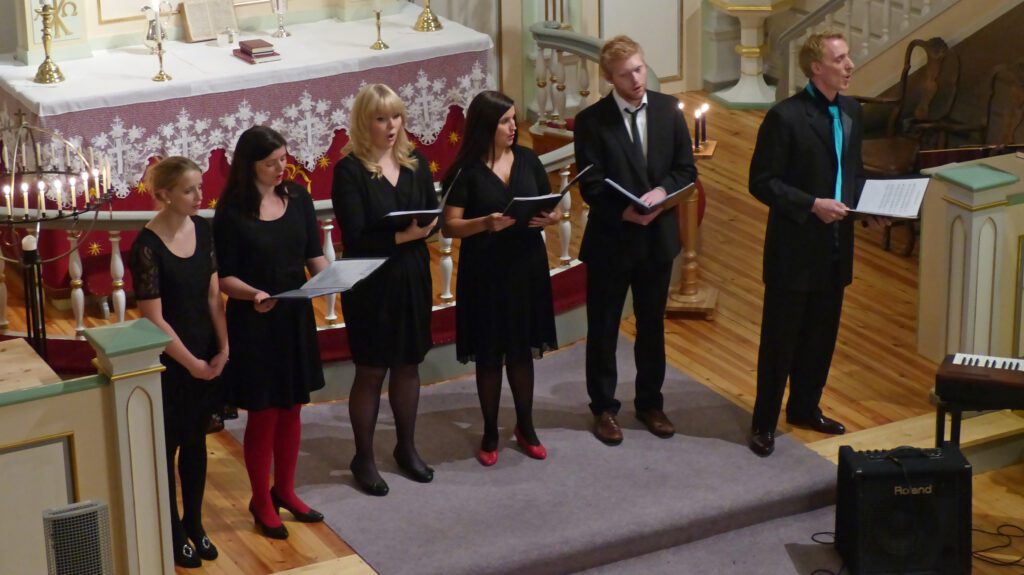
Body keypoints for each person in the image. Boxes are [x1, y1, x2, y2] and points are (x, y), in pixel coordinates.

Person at [747, 32, 885, 457]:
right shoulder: (785, 118)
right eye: (840, 59)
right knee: (781, 340)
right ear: (816, 68)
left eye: (848, 57)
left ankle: (804, 407)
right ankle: (764, 423)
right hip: (795, 247)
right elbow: (762, 182)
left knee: (821, 336)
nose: (849, 66)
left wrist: (871, 204)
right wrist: (811, 205)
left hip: (836, 246)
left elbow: (851, 171)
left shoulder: (851, 111)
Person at [573, 35, 697, 446]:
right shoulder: (593, 120)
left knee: (651, 325)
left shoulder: (666, 109)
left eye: (640, 69)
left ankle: (649, 403)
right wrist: (621, 211)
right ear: (609, 77)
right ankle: (604, 409)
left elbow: (685, 169)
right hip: (613, 238)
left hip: (657, 238)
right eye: (626, 74)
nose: (637, 79)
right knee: (604, 327)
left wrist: (662, 194)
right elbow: (590, 184)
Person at [214, 126, 328, 538]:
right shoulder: (231, 213)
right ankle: (261, 498)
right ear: (250, 166)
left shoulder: (298, 197)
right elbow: (224, 278)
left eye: (283, 158)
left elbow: (314, 255)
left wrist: (335, 281)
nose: (282, 167)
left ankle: (286, 490)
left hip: (294, 315)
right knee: (264, 412)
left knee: (293, 405)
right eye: (271, 162)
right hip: (256, 319)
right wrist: (254, 294)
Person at [442, 91, 560, 466]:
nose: (514, 126)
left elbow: (546, 203)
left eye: (513, 119)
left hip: (526, 265)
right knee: (490, 355)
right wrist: (485, 223)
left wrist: (551, 218)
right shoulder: (467, 172)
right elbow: (450, 227)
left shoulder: (527, 160)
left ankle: (525, 425)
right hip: (486, 270)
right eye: (506, 121)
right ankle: (491, 430)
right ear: (486, 126)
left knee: (522, 351)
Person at [331, 84, 437, 496]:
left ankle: (406, 448)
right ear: (364, 122)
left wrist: (422, 231)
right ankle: (364, 457)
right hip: (371, 280)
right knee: (372, 369)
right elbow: (354, 236)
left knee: (408, 364)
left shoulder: (415, 162)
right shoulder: (350, 170)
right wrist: (403, 238)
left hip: (410, 275)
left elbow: (431, 213)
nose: (390, 126)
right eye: (380, 118)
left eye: (395, 116)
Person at [129, 156, 228, 568]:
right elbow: (155, 318)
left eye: (199, 187)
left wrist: (223, 347)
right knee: (167, 445)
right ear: (165, 195)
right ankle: (172, 529)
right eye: (189, 190)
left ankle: (196, 523)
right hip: (170, 360)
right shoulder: (146, 247)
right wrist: (192, 364)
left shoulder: (202, 229)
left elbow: (212, 296)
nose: (199, 196)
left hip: (205, 354)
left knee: (196, 442)